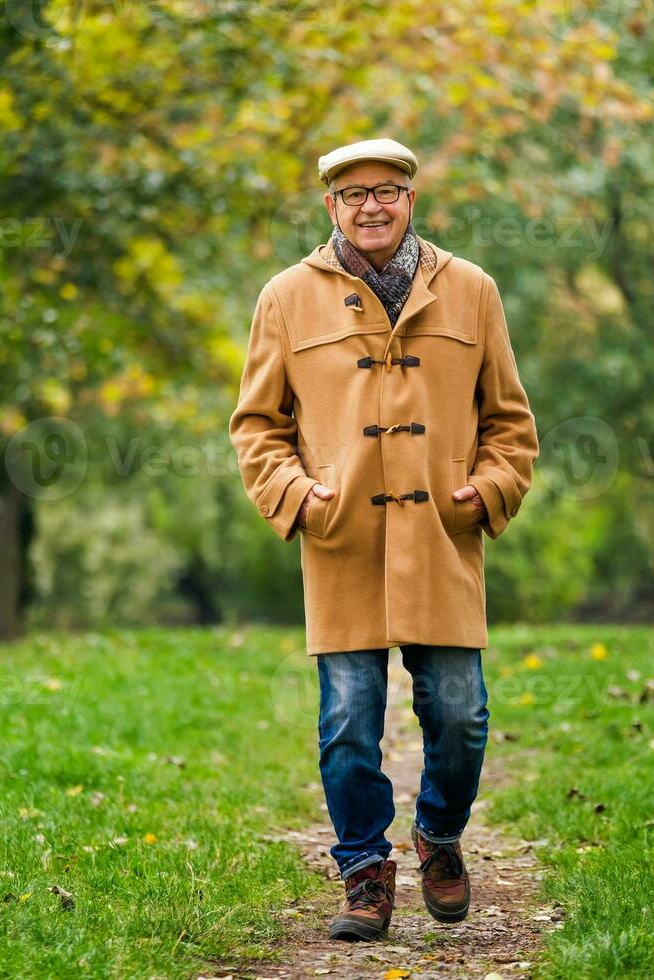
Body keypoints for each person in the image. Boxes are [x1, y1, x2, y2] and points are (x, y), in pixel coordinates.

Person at [229, 137, 539, 941]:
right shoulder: (287, 297)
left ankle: (439, 837)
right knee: (347, 721)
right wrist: (298, 498)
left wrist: (492, 489)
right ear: (330, 205)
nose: (373, 205)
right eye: (354, 192)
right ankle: (364, 870)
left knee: (462, 715)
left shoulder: (471, 290)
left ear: (412, 198)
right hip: (342, 540)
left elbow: (511, 423)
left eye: (389, 191)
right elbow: (258, 427)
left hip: (442, 535)